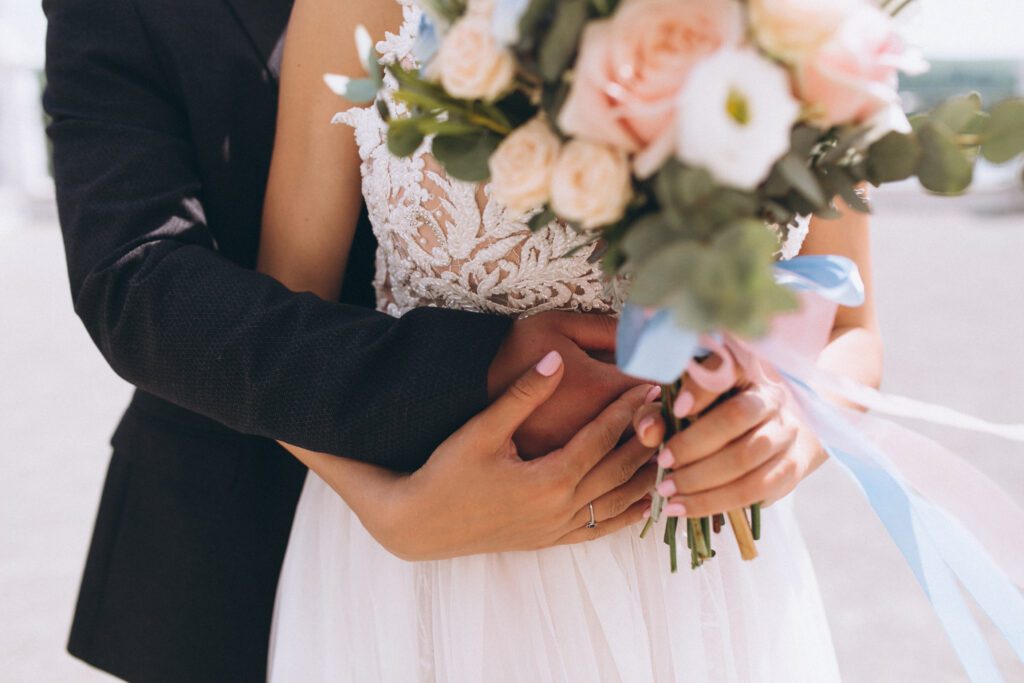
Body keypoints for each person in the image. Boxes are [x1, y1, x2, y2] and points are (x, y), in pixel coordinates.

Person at [262, 1, 885, 680]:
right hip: (437, 567)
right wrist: (388, 506)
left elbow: (854, 333)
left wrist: (787, 431)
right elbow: (284, 327)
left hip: (703, 590)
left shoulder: (808, 15)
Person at [43, 0, 656, 680]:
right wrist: (392, 498)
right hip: (250, 526)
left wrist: (790, 417)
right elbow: (136, 281)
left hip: (653, 520)